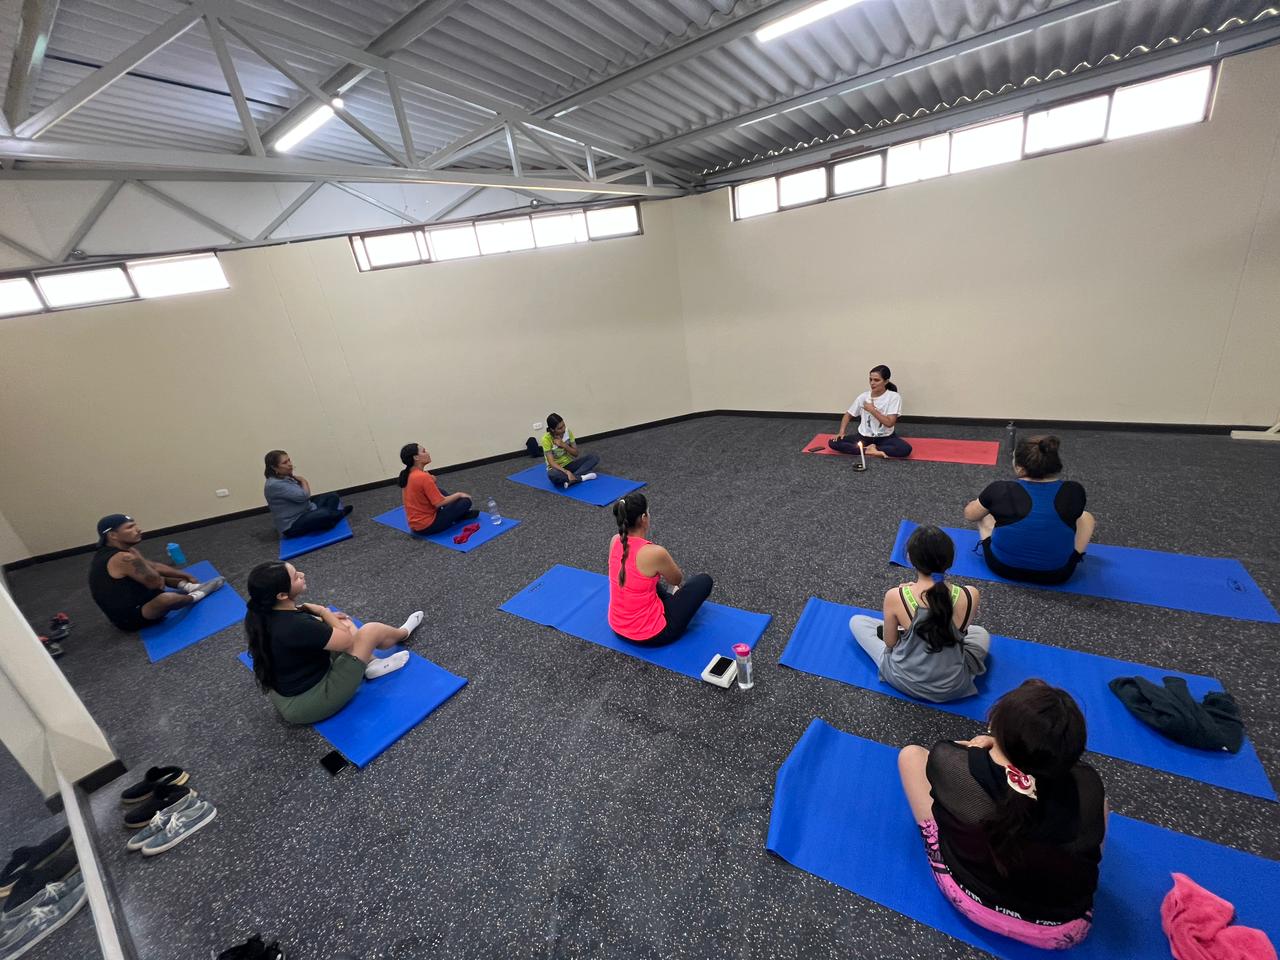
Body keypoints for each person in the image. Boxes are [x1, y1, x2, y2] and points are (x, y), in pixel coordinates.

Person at [897, 679, 1107, 949]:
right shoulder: (1089, 785)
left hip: (970, 900)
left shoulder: (953, 764)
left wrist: (977, 750)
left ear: (998, 732)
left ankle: (938, 849)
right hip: (1063, 931)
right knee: (1097, 807)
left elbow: (956, 754)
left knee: (911, 756)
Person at [243, 561, 424, 725]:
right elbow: (347, 641)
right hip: (310, 702)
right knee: (370, 631)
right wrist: (323, 612)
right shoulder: (293, 625)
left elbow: (307, 634)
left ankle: (371, 664)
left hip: (291, 693)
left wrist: (325, 619)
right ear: (282, 595)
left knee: (343, 623)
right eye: (296, 576)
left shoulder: (263, 611)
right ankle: (403, 633)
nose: (302, 574)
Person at [849, 524, 989, 703]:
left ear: (910, 559)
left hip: (904, 679)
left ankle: (907, 633)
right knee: (981, 633)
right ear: (950, 560)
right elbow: (959, 632)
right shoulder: (970, 594)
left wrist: (906, 626)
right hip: (953, 686)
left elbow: (890, 643)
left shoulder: (896, 596)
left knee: (857, 621)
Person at [964, 435, 1095, 585]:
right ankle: (1074, 556)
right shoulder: (1074, 490)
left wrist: (978, 503)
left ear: (1019, 467)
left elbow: (970, 515)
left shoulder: (1000, 489)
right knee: (1086, 517)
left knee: (985, 514)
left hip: (1003, 568)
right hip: (1058, 574)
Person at [607, 492, 713, 646]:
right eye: (648, 512)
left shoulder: (615, 540)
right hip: (653, 634)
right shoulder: (655, 553)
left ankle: (668, 603)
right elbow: (676, 580)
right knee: (704, 581)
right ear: (644, 518)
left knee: (640, 577)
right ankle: (670, 606)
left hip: (617, 627)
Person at [88, 515, 225, 632]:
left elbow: (153, 566)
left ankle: (189, 587)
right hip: (129, 617)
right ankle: (197, 595)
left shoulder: (119, 550)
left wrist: (183, 575)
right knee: (166, 598)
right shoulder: (123, 558)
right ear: (112, 535)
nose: (138, 529)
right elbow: (156, 583)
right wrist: (139, 560)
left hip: (134, 595)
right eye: (130, 527)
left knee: (148, 572)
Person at [828, 364, 912, 459]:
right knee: (833, 442)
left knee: (905, 449)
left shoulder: (894, 397)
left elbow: (889, 423)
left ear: (886, 381)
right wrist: (841, 432)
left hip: (885, 437)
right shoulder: (863, 397)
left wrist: (872, 410)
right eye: (870, 379)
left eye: (876, 380)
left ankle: (871, 448)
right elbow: (848, 415)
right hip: (864, 437)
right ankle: (868, 450)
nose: (872, 383)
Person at [263, 450, 353, 539]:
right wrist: (303, 480)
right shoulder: (274, 484)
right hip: (293, 524)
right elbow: (304, 496)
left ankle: (327, 519)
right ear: (274, 467)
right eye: (285, 463)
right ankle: (336, 515)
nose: (289, 464)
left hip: (307, 509)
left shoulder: (284, 476)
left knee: (332, 496)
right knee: (323, 513)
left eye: (289, 460)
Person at [397, 444, 479, 535]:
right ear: (416, 457)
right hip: (428, 526)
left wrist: (431, 480)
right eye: (424, 451)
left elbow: (420, 488)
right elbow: (438, 503)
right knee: (465, 501)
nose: (427, 453)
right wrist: (459, 494)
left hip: (416, 525)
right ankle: (459, 515)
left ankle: (458, 514)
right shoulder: (423, 476)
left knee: (440, 491)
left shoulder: (409, 473)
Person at [541, 413, 599, 489]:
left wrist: (564, 445)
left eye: (564, 425)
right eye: (560, 428)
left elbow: (576, 453)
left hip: (569, 464)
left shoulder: (568, 432)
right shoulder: (546, 439)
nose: (563, 429)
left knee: (593, 457)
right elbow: (551, 463)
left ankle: (572, 478)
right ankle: (582, 477)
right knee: (552, 475)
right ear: (552, 429)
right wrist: (566, 472)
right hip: (557, 469)